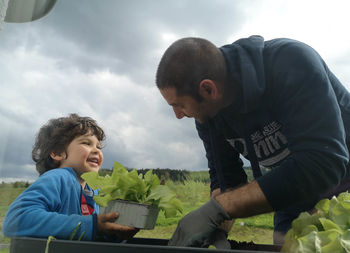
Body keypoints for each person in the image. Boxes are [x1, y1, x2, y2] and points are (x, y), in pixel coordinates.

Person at [156, 35, 350, 247]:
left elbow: (323, 161)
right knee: (285, 242)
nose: (178, 114)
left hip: (339, 172)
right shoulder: (208, 114)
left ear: (208, 89)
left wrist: (217, 209)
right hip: (294, 181)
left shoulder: (290, 62)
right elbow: (227, 182)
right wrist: (214, 228)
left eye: (179, 104)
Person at [3, 113, 139, 241]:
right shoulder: (58, 178)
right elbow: (16, 220)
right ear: (57, 153)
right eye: (86, 143)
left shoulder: (95, 190)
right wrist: (92, 225)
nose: (97, 150)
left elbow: (92, 234)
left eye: (98, 146)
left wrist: (114, 232)